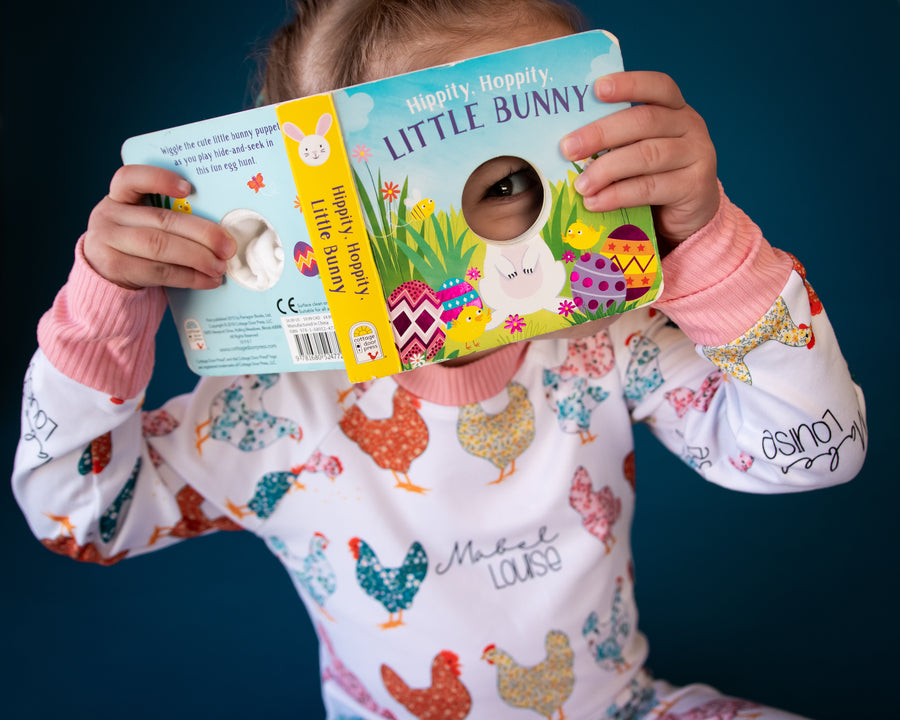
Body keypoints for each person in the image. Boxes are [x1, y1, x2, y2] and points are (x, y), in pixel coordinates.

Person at [12, 1, 867, 718]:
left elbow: (817, 449)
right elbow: (83, 516)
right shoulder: (270, 411)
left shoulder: (604, 339)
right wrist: (108, 306)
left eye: (512, 175)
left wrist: (705, 242)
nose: (498, 216)